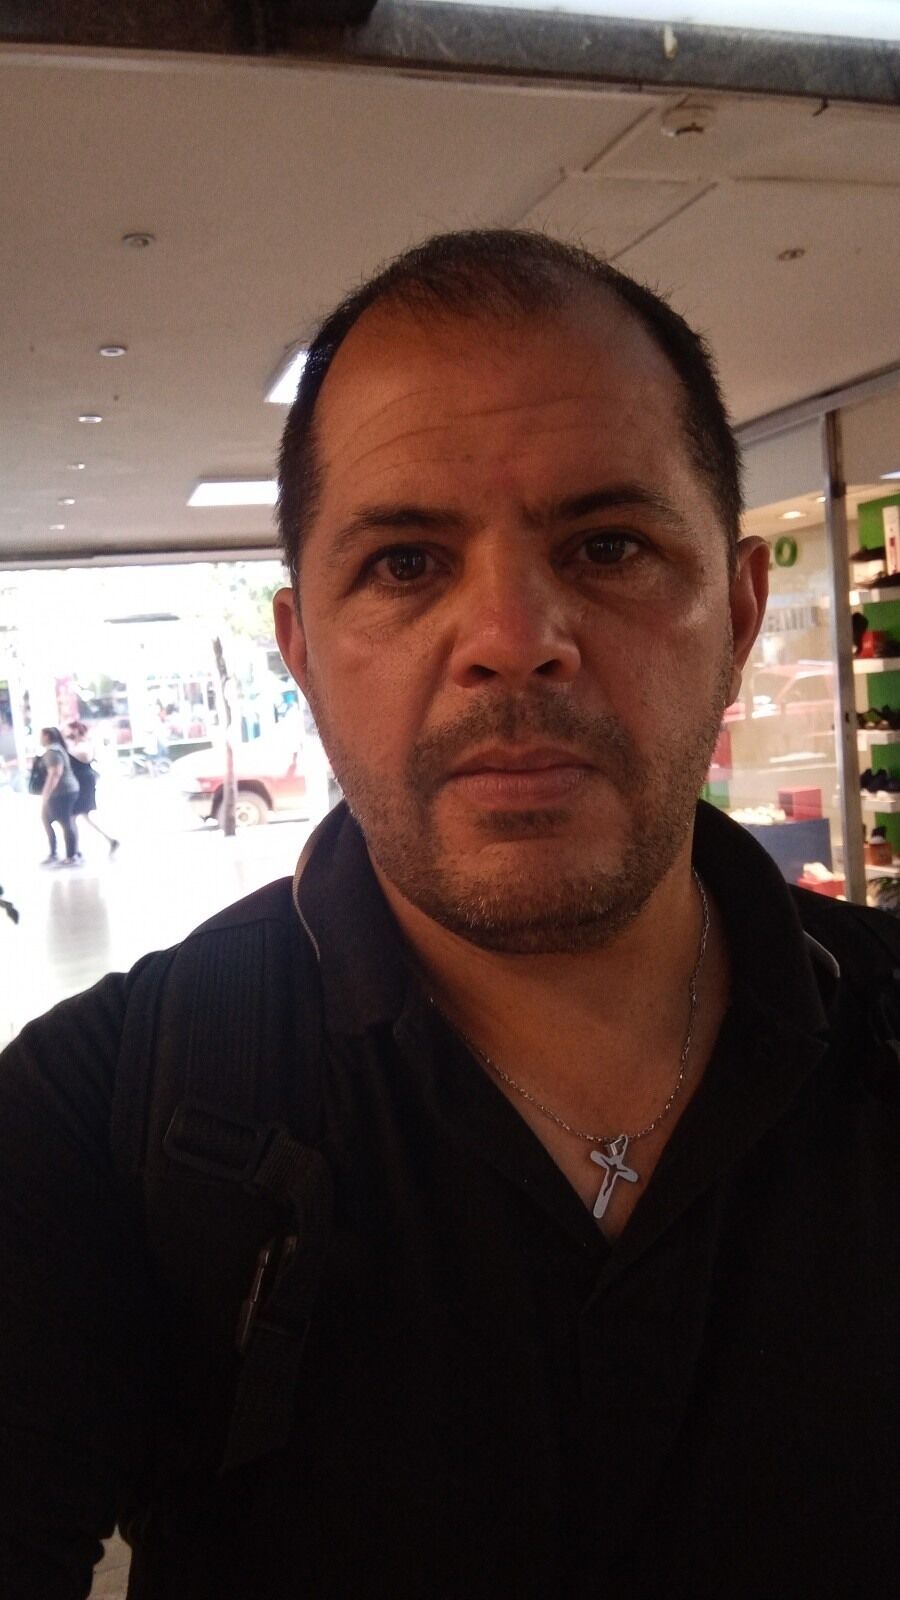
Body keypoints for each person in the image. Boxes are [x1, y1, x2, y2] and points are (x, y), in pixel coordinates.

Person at [1, 231, 898, 1599]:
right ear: (304, 654)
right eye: (408, 563)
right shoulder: (96, 1120)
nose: (513, 638)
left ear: (737, 612)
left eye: (609, 545)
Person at [66, 720, 120, 854]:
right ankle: (109, 840)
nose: (68, 733)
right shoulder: (77, 744)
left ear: (76, 730)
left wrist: (68, 748)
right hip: (80, 781)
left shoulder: (84, 745)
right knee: (82, 816)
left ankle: (74, 851)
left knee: (74, 816)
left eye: (70, 730)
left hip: (83, 782)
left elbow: (85, 756)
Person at [35, 724, 81, 866]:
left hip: (62, 792)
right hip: (66, 790)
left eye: (41, 735)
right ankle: (57, 853)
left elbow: (55, 774)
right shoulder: (57, 749)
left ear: (47, 736)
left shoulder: (53, 752)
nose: (39, 739)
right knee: (49, 820)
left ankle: (71, 855)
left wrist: (46, 793)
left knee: (65, 822)